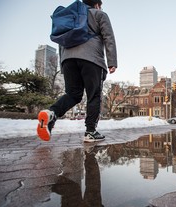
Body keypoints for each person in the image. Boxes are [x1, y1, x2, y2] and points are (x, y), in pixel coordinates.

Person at [37, 0, 117, 142]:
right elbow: (108, 37)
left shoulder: (70, 16)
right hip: (91, 59)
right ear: (97, 4)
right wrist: (112, 62)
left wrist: (63, 65)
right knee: (94, 95)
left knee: (73, 94)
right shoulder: (99, 14)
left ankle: (52, 112)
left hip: (68, 59)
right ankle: (90, 131)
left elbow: (62, 41)